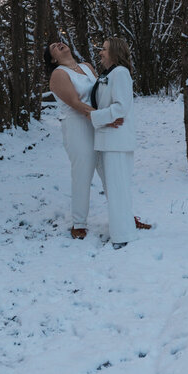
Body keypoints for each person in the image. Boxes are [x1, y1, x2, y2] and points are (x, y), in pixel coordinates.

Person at [85, 37, 150, 249]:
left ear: (114, 52)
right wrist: (103, 118)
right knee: (113, 190)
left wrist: (95, 117)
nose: (100, 52)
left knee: (117, 189)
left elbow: (121, 108)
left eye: (103, 49)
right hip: (107, 140)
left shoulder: (120, 73)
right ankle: (121, 229)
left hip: (117, 141)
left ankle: (123, 236)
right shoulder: (109, 74)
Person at [45, 41, 100, 240]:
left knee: (111, 170)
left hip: (98, 121)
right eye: (53, 47)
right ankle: (79, 223)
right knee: (82, 172)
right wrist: (105, 117)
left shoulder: (87, 67)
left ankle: (123, 216)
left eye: (60, 42)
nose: (59, 44)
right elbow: (76, 104)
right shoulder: (58, 74)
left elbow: (100, 92)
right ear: (53, 58)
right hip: (77, 126)